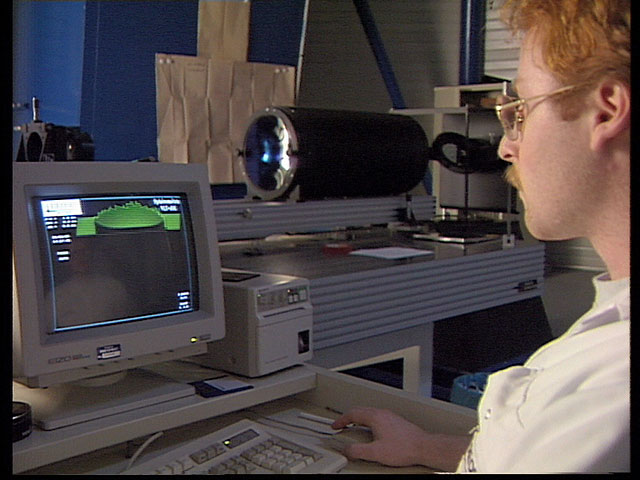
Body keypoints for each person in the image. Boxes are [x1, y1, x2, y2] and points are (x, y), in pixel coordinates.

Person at [331, 0, 630, 473]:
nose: (508, 144)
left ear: (606, 111)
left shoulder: (612, 392)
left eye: (522, 111)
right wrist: (426, 446)